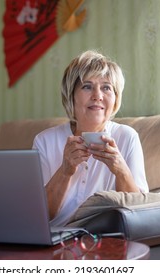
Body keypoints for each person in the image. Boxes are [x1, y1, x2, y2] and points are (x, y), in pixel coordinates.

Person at [33, 50, 149, 227]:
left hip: (103, 235)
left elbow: (140, 212)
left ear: (116, 98)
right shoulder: (45, 141)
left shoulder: (127, 137)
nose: (97, 95)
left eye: (106, 87)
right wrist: (65, 170)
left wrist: (121, 170)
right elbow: (40, 216)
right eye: (87, 86)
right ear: (71, 96)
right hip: (57, 236)